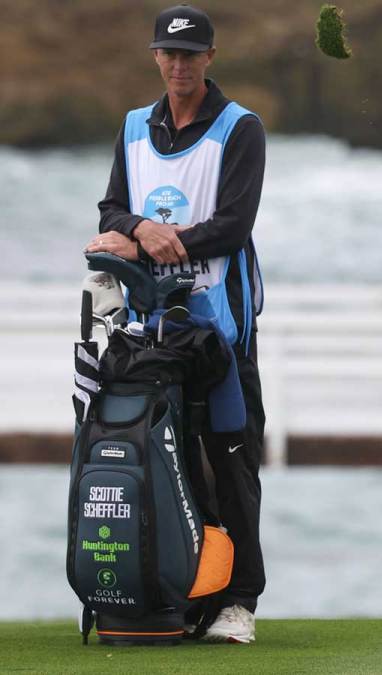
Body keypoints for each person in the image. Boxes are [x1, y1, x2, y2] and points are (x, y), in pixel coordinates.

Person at [86, 4, 266, 645]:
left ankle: (238, 602)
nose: (179, 63)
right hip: (151, 330)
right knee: (170, 459)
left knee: (231, 461)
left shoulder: (241, 128)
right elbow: (112, 205)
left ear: (209, 59)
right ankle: (183, 592)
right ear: (156, 57)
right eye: (169, 53)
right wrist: (139, 229)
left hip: (221, 330)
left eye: (191, 54)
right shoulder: (135, 127)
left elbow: (233, 225)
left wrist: (157, 240)